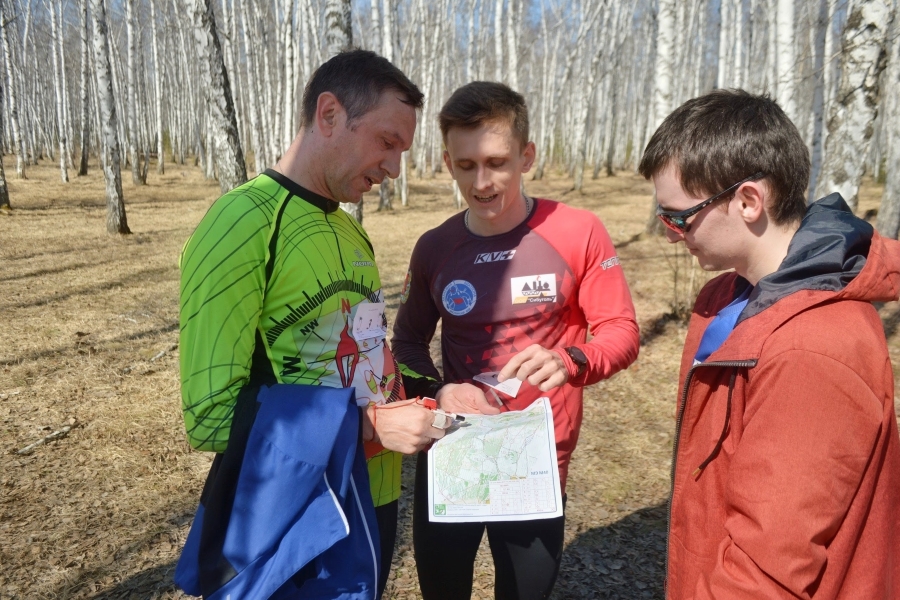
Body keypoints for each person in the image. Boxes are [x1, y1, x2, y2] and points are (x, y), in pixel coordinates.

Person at [178, 50, 480, 599]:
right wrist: (366, 427)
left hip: (375, 496)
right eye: (387, 142)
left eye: (402, 151)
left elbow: (369, 361)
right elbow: (210, 416)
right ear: (329, 114)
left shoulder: (350, 230)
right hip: (296, 512)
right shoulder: (242, 222)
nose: (394, 169)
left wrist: (436, 392)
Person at [639, 89, 900, 598]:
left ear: (748, 201)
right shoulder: (725, 295)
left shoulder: (813, 350)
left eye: (679, 217)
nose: (670, 234)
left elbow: (766, 573)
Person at [391, 81, 640, 600]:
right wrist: (437, 391)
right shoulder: (435, 247)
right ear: (447, 163)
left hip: (536, 458)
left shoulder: (578, 231)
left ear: (527, 156)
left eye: (497, 163)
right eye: (466, 165)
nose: (481, 182)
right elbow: (407, 344)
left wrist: (572, 359)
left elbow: (621, 331)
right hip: (453, 449)